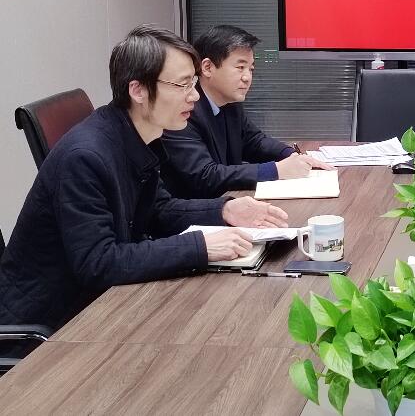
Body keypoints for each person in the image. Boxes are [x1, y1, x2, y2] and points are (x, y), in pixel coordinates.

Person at [0, 25, 288, 331]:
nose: (194, 95)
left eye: (193, 83)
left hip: (104, 305)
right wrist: (200, 246)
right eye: (182, 85)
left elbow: (158, 210)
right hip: (52, 327)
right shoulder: (84, 157)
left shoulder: (139, 136)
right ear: (138, 90)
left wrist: (225, 210)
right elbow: (98, 263)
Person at [160, 25, 331, 198]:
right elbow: (205, 175)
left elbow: (254, 142)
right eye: (240, 67)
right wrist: (276, 170)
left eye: (251, 69)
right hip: (192, 210)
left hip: (228, 200)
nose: (247, 77)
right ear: (207, 67)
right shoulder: (183, 110)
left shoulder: (230, 103)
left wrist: (291, 155)